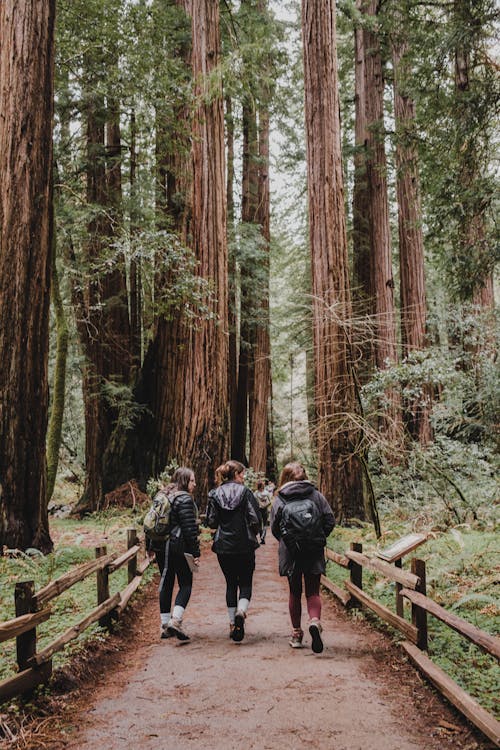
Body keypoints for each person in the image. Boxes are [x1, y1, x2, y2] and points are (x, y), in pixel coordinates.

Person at [271, 462, 335, 653]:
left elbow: (274, 527)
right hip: (314, 551)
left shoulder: (280, 498)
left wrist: (288, 542)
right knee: (313, 591)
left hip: (291, 553)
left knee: (294, 592)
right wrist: (317, 538)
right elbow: (329, 520)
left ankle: (297, 634)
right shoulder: (316, 495)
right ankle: (314, 621)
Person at [207, 460, 262, 642]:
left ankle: (232, 623)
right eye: (242, 474)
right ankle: (242, 611)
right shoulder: (246, 493)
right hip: (244, 544)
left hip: (223, 545)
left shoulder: (214, 494)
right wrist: (257, 533)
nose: (244, 477)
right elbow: (255, 518)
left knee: (231, 583)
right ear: (236, 475)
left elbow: (212, 522)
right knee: (245, 582)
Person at [147, 467, 200, 641]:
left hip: (161, 545)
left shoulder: (162, 495)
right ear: (184, 480)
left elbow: (151, 520)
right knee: (185, 583)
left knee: (166, 580)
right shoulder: (184, 498)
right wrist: (195, 552)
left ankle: (164, 625)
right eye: (192, 480)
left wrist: (149, 546)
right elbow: (189, 529)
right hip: (178, 546)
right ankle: (175, 621)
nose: (194, 484)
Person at [254, 479, 272, 544]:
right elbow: (270, 502)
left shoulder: (255, 493)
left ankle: (262, 537)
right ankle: (262, 537)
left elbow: (254, 503)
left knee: (261, 524)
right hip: (264, 509)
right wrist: (266, 505)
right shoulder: (266, 493)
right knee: (264, 524)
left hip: (259, 510)